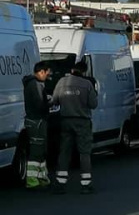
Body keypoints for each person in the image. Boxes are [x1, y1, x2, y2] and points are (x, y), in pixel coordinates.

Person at [52, 61, 98, 194]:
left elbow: (54, 100)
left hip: (66, 121)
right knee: (84, 152)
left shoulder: (61, 82)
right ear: (84, 71)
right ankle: (86, 183)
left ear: (72, 69)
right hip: (82, 122)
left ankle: (60, 182)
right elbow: (93, 104)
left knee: (64, 151)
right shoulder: (87, 84)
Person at [22, 62, 52, 189]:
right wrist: (50, 102)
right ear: (41, 72)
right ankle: (33, 178)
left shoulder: (32, 84)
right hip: (37, 121)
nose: (48, 76)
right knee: (37, 150)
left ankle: (41, 177)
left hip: (34, 121)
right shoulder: (35, 85)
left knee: (40, 150)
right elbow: (40, 104)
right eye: (47, 73)